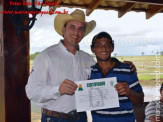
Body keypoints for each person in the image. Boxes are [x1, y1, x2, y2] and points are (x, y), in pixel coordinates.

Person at [26, 9, 137, 122]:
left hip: (81, 117)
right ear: (63, 29)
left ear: (83, 33)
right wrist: (57, 89)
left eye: (81, 29)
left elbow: (105, 73)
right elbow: (31, 91)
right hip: (55, 118)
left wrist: (125, 66)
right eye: (72, 27)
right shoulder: (46, 56)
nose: (76, 32)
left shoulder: (88, 59)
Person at [90, 32, 144, 122]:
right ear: (93, 49)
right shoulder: (89, 73)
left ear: (112, 48)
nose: (104, 48)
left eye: (107, 45)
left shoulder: (127, 70)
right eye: (99, 45)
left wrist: (129, 92)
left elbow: (140, 100)